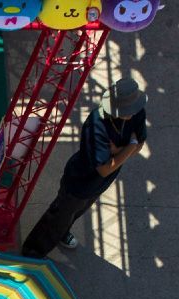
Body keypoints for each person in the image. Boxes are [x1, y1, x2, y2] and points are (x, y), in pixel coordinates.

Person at [22, 76, 148, 259]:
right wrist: (129, 146)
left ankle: (62, 234)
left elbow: (139, 145)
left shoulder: (137, 113)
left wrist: (119, 151)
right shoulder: (96, 124)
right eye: (127, 110)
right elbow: (104, 168)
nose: (132, 114)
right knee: (59, 216)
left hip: (100, 183)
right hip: (79, 181)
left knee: (77, 212)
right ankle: (31, 253)